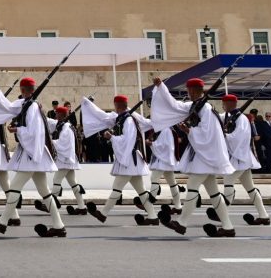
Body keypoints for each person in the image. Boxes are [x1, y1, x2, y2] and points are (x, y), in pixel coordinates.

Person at [150, 77, 236, 238]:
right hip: (202, 153)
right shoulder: (195, 106)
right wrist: (161, 87)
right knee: (214, 193)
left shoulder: (206, 108)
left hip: (205, 155)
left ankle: (182, 223)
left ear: (194, 91)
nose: (187, 93)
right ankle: (228, 227)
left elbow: (208, 133)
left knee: (192, 186)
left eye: (189, 90)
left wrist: (189, 131)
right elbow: (174, 106)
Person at [0, 78, 66, 238]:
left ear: (22, 90)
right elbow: (7, 106)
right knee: (45, 192)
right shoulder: (26, 104)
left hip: (31, 154)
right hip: (33, 154)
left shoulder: (32, 107)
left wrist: (18, 130)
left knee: (14, 187)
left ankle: (3, 221)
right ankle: (59, 226)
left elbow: (35, 133)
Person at [81, 95, 157, 226]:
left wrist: (111, 137)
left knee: (117, 188)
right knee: (142, 191)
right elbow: (103, 116)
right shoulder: (123, 118)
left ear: (117, 105)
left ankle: (103, 214)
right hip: (131, 160)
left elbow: (127, 140)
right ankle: (153, 216)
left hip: (129, 160)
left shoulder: (128, 120)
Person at [218, 94, 270, 226]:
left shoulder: (241, 119)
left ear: (231, 104)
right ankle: (264, 215)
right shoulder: (227, 116)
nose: (223, 106)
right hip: (240, 159)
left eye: (224, 103)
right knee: (250, 188)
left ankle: (222, 214)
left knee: (228, 182)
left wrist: (225, 135)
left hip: (239, 158)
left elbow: (239, 137)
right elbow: (216, 120)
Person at [47, 105, 88, 216]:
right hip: (67, 159)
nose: (55, 115)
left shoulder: (67, 127)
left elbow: (63, 143)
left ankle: (50, 205)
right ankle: (82, 207)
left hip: (65, 159)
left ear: (61, 115)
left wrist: (50, 141)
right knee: (73, 183)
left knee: (56, 180)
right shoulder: (61, 125)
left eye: (57, 113)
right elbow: (49, 122)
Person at [145, 125, 182, 214]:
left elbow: (165, 145)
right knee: (172, 183)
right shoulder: (165, 128)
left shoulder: (166, 129)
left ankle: (149, 205)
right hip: (165, 160)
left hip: (162, 160)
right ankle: (178, 206)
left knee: (154, 179)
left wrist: (151, 144)